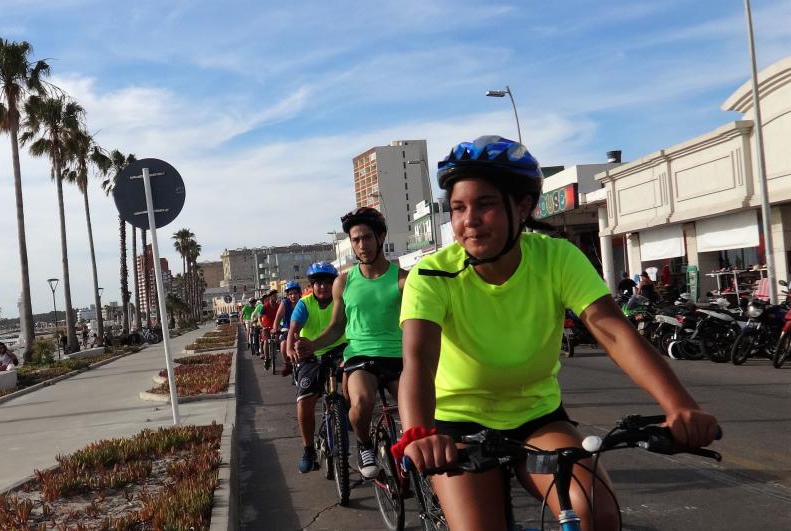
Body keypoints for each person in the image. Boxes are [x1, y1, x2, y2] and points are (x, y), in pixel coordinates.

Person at [395, 135, 719, 530]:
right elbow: (419, 359)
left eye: (486, 205)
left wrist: (679, 406)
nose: (469, 220)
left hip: (537, 418)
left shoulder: (556, 257)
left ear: (524, 206)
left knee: (598, 514)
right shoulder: (432, 274)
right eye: (458, 208)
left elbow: (615, 333)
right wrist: (419, 433)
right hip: (458, 424)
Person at [296, 207, 407, 479]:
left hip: (398, 356)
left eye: (367, 238)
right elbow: (337, 327)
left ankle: (411, 448)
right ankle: (365, 445)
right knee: (361, 404)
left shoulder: (404, 279)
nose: (361, 245)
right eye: (356, 240)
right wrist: (312, 343)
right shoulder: (344, 282)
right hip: (360, 357)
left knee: (413, 406)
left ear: (381, 237)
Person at [287, 262, 347, 473]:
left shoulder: (342, 300)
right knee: (304, 401)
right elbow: (294, 328)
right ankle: (309, 450)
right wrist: (290, 348)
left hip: (340, 349)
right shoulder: (304, 303)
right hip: (311, 355)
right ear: (312, 285)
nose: (322, 287)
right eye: (318, 283)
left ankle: (344, 414)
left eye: (327, 283)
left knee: (354, 374)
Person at [272, 281, 302, 376]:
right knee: (283, 344)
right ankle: (287, 364)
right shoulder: (285, 303)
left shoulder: (303, 302)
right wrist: (275, 329)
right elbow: (278, 317)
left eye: (295, 293)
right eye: (290, 294)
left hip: (301, 330)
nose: (293, 296)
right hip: (287, 330)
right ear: (287, 295)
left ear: (299, 293)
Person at [259, 290, 281, 360]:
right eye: (274, 296)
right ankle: (266, 357)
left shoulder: (278, 306)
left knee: (278, 339)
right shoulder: (265, 306)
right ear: (270, 297)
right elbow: (259, 317)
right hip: (266, 327)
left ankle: (274, 351)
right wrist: (262, 326)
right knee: (266, 341)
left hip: (275, 327)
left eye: (276, 296)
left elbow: (282, 315)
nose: (276, 297)